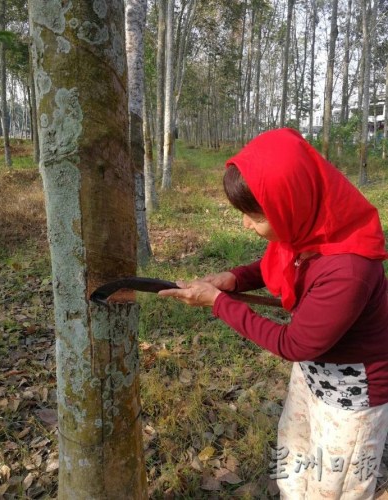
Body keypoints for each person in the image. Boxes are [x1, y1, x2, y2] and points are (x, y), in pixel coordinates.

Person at [158, 128, 388, 499]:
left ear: (291, 204)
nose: (246, 224)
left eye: (253, 214)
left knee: (336, 485)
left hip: (352, 394)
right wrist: (234, 278)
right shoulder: (310, 232)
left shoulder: (348, 269)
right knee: (295, 457)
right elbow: (280, 261)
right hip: (314, 375)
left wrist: (218, 303)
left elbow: (294, 343)